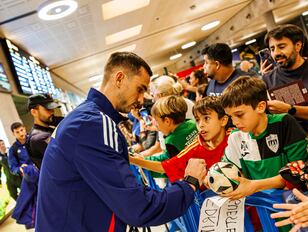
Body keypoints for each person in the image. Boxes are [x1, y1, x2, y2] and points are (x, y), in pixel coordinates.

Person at [36, 52, 207, 232]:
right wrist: (189, 184)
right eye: (140, 89)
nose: (142, 100)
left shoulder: (84, 117)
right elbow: (140, 208)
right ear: (119, 78)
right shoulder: (94, 124)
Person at [220, 76, 308, 199]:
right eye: (230, 116)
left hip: (292, 201)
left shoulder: (284, 123)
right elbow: (228, 170)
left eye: (239, 115)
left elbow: (298, 172)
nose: (234, 122)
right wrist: (216, 178)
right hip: (258, 206)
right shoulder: (235, 136)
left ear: (261, 107)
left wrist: (254, 186)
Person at [130, 96, 229, 182]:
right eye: (198, 120)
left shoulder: (171, 140)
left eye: (206, 118)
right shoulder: (190, 124)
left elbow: (165, 164)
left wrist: (135, 159)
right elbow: (167, 166)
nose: (201, 125)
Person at [144, 95, 198, 164]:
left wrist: (145, 159)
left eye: (157, 121)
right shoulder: (192, 123)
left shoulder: (171, 141)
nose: (156, 124)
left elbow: (167, 161)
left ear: (167, 121)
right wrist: (158, 127)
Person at [27, 93, 61, 169]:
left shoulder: (48, 128)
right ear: (34, 112)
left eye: (52, 109)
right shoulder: (38, 137)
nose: (52, 112)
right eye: (48, 109)